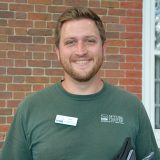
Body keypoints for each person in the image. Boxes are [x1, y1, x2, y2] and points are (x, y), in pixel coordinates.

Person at [1, 7, 160, 160]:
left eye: (90, 41)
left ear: (104, 48)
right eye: (70, 42)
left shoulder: (131, 107)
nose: (81, 51)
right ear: (57, 52)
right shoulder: (31, 109)